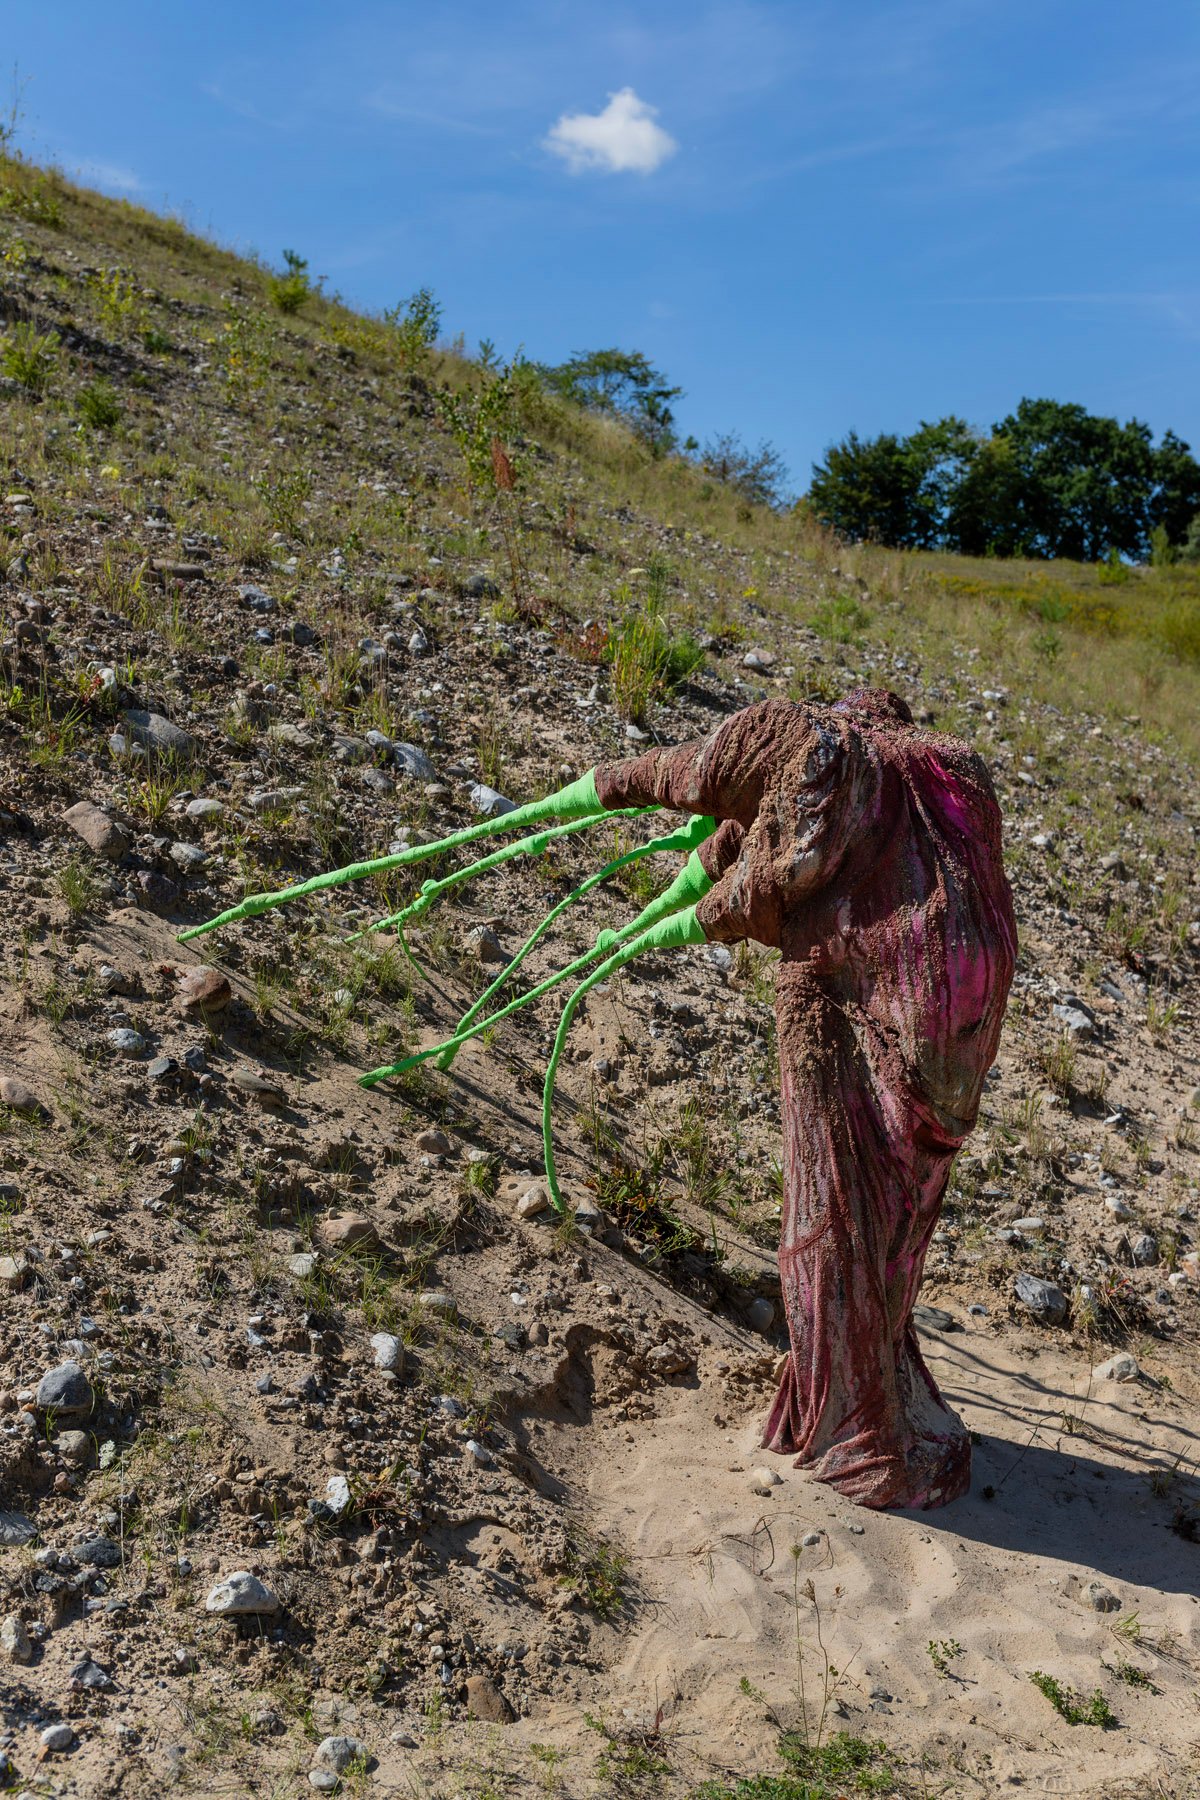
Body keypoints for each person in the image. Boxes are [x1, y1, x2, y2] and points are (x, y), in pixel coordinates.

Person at [594, 691, 1016, 1510]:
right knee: (900, 1216)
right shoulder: (950, 766)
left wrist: (612, 802)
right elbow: (765, 838)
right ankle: (880, 1384)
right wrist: (720, 855)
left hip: (867, 998)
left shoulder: (810, 744)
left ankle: (859, 1433)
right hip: (965, 1018)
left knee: (833, 1218)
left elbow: (725, 819)